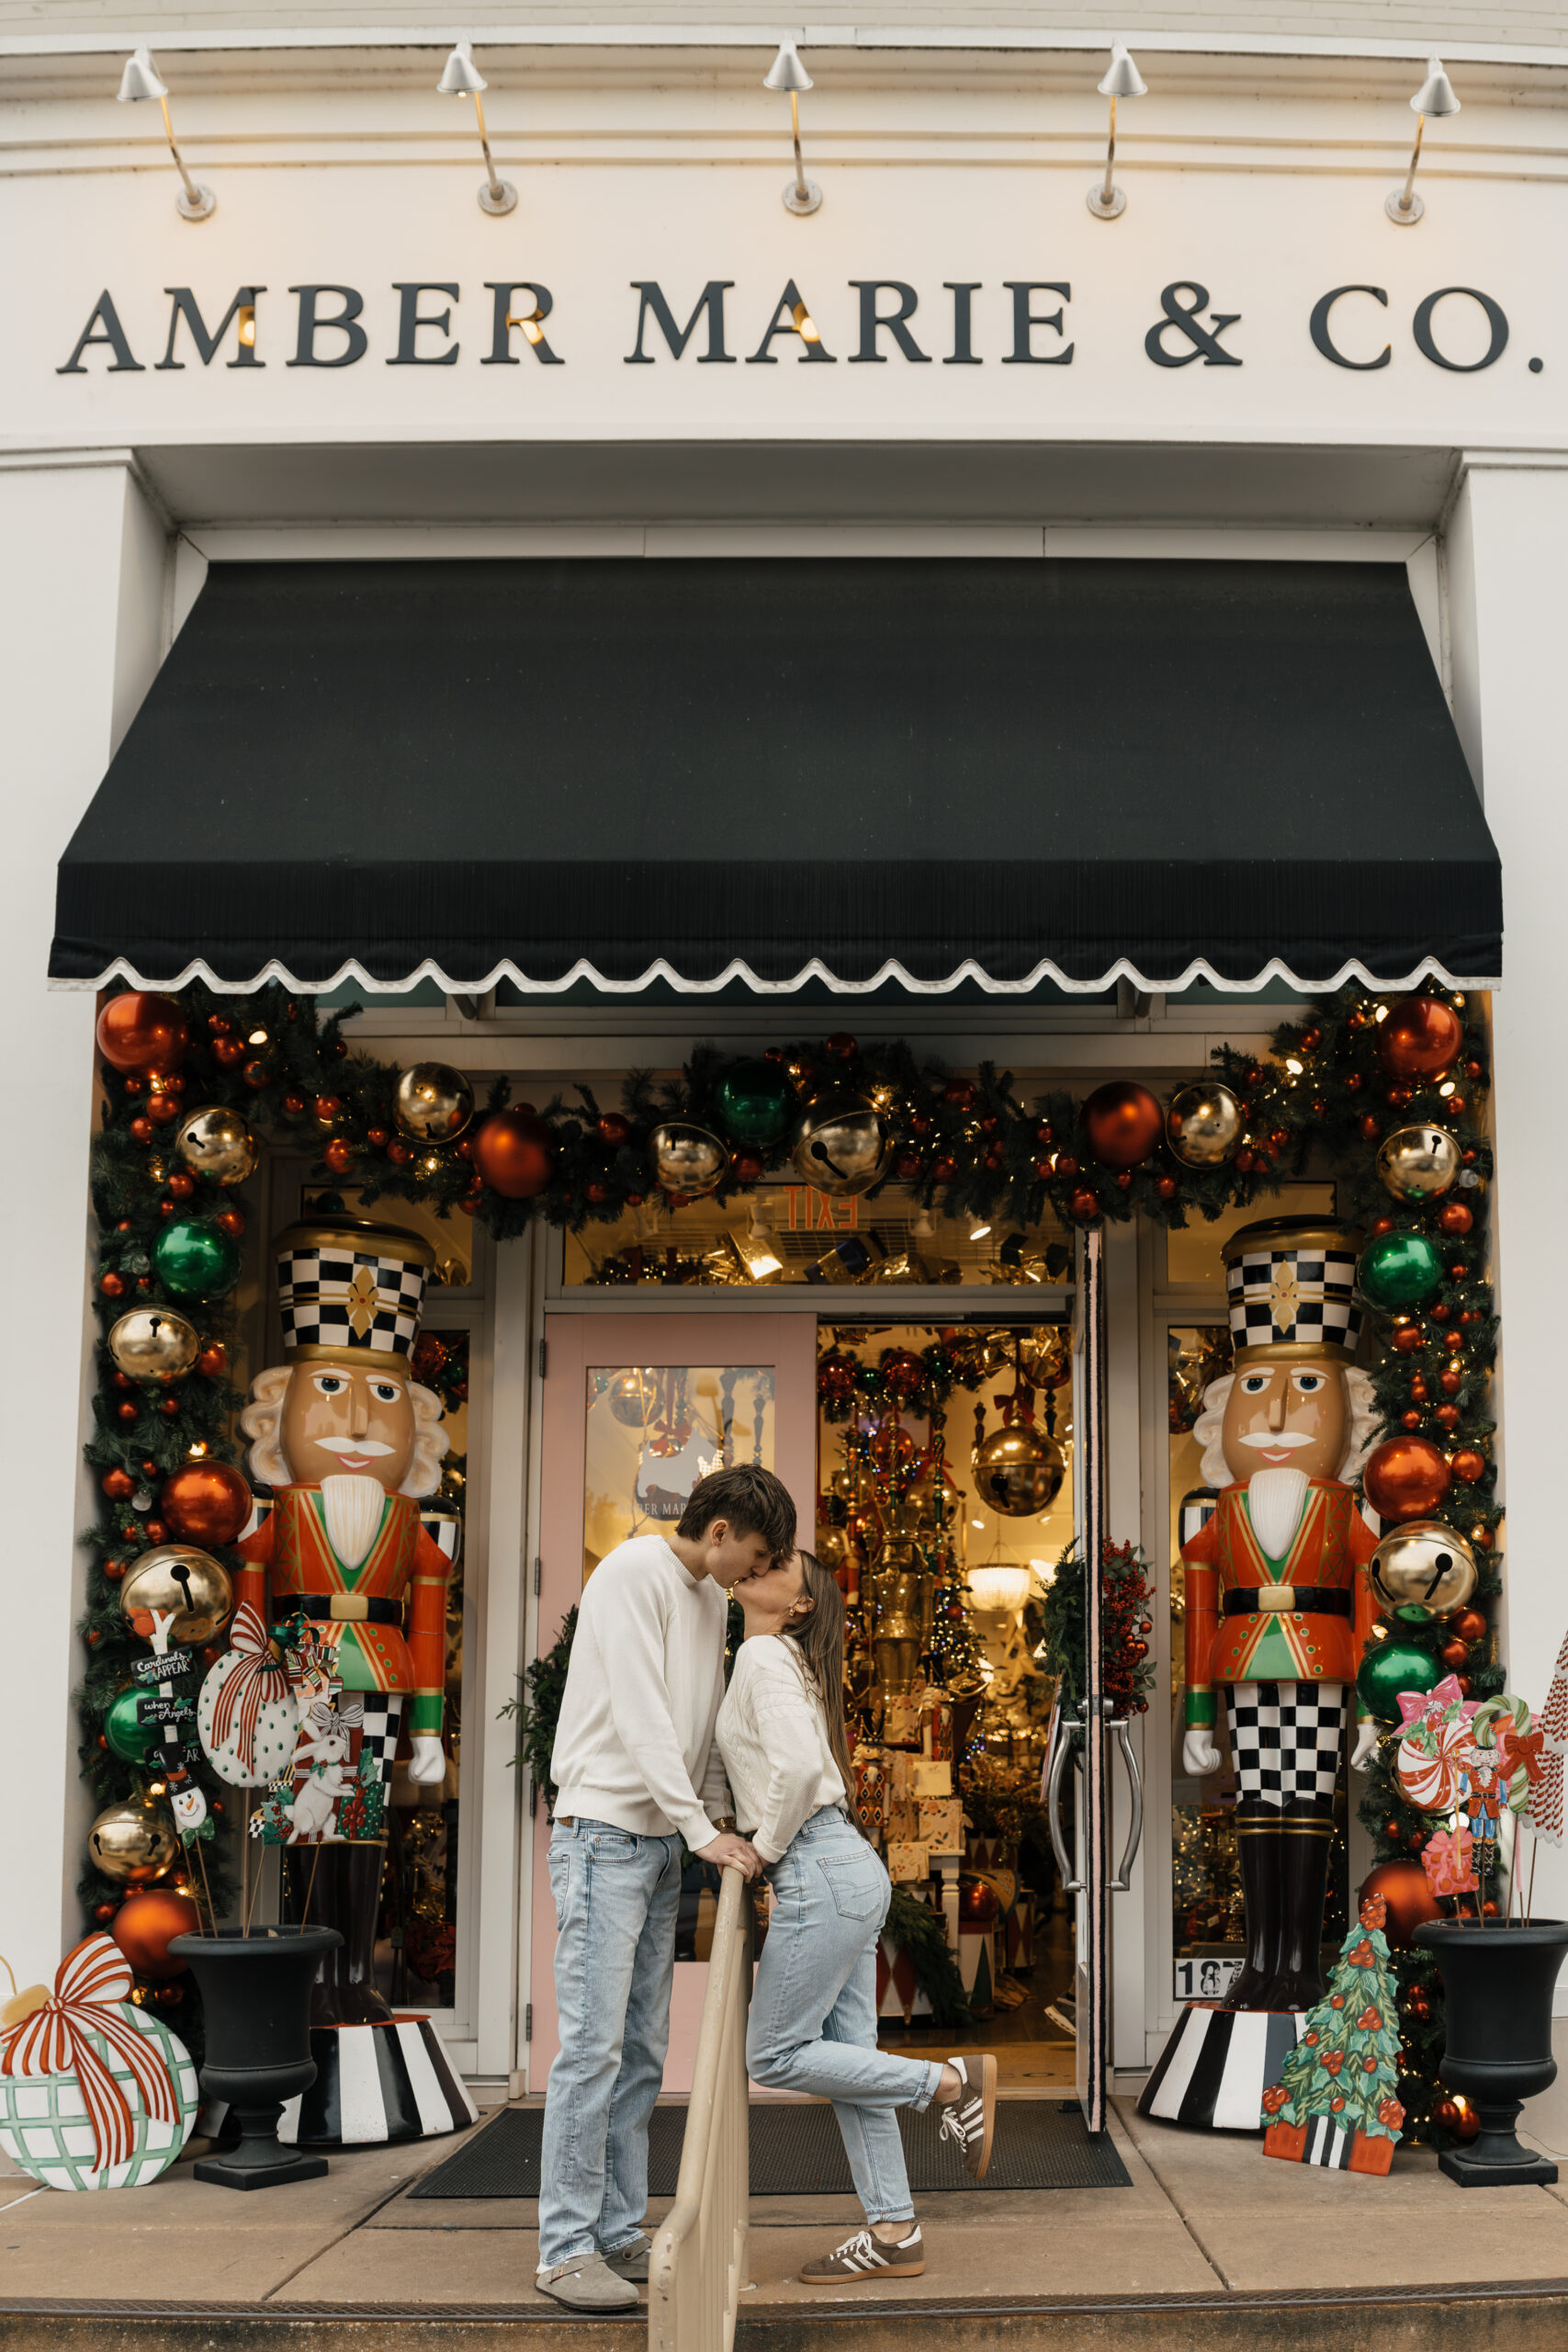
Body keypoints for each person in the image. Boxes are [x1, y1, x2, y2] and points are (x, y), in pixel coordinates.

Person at [535, 1464, 795, 2313]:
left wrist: (720, 1826)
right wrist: (700, 1829)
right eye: (754, 1557)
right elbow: (644, 1717)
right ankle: (564, 2248)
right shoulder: (631, 1574)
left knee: (644, 2050)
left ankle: (615, 2233)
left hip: (656, 1848)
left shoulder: (712, 1600)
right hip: (603, 1836)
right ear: (718, 1531)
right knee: (591, 2052)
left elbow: (701, 1725)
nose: (756, 1576)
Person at [718, 1548, 998, 2286]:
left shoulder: (762, 1658)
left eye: (777, 1564)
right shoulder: (781, 1662)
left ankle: (947, 2084)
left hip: (815, 1861)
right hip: (841, 1863)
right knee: (855, 2068)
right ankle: (895, 2231)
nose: (756, 1563)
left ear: (801, 1602)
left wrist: (761, 1851)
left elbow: (799, 1773)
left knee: (772, 2055)